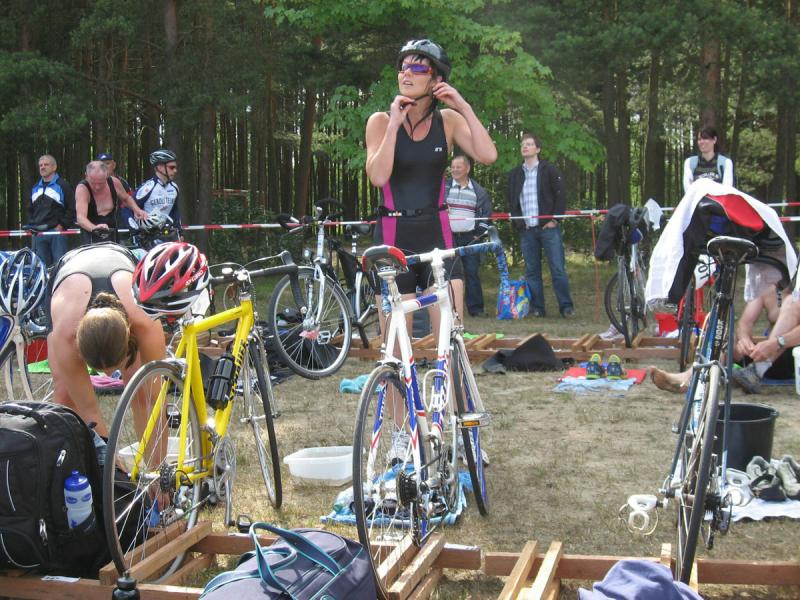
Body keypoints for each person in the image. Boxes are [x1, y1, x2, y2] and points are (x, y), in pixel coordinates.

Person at [365, 39, 496, 333]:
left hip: (437, 236)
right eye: (403, 67)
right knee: (396, 346)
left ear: (436, 80)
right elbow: (378, 177)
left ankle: (448, 366)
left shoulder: (448, 121)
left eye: (417, 68)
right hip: (393, 239)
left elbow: (488, 155)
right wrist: (394, 124)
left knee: (450, 338)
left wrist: (463, 106)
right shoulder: (380, 122)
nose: (406, 74)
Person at [47, 243, 167, 438]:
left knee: (144, 394)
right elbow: (88, 412)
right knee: (66, 396)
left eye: (114, 368)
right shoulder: (66, 334)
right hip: (68, 273)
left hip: (120, 264)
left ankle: (152, 458)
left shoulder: (144, 320)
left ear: (129, 337)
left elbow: (156, 400)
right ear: (78, 347)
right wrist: (108, 455)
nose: (109, 375)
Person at [650, 282, 793, 393]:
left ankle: (698, 379)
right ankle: (694, 377)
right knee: (722, 330)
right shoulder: (768, 289)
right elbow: (745, 323)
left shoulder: (794, 299)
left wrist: (775, 343)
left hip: (788, 358)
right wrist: (744, 339)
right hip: (758, 356)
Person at [506, 133, 575, 318]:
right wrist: (519, 223)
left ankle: (566, 307)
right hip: (527, 231)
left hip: (548, 229)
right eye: (523, 144)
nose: (525, 147)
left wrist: (555, 220)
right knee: (532, 271)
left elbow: (561, 196)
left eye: (529, 144)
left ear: (537, 149)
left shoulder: (549, 170)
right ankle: (538, 308)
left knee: (557, 269)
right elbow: (512, 201)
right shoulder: (515, 174)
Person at [446, 154, 492, 316]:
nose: (455, 170)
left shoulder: (479, 191)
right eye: (453, 167)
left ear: (467, 169)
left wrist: (477, 236)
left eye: (458, 167)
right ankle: (449, 309)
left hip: (470, 238)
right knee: (448, 273)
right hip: (449, 238)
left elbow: (486, 216)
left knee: (472, 272)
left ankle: (476, 309)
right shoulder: (443, 189)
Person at [75, 160, 147, 245]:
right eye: (93, 182)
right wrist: (95, 228)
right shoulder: (82, 189)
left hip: (112, 232)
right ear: (86, 176)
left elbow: (126, 198)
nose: (97, 187)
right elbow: (81, 218)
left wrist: (137, 210)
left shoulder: (114, 182)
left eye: (101, 183)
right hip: (90, 234)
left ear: (107, 175)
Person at [27, 154, 75, 266]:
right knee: (41, 267)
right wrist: (32, 225)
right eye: (40, 165)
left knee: (59, 266)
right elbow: (29, 209)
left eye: (46, 164)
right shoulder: (35, 187)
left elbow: (72, 208)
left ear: (54, 167)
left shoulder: (63, 185)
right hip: (38, 233)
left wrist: (62, 225)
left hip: (57, 233)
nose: (42, 167)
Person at [133, 149, 182, 235]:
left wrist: (180, 232)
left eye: (175, 167)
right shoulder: (148, 188)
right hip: (146, 235)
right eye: (171, 167)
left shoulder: (174, 188)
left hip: (167, 234)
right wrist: (133, 229)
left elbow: (175, 211)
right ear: (160, 167)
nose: (175, 171)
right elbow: (128, 207)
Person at [683, 125, 734, 192]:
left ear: (714, 140)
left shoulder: (725, 163)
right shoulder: (690, 163)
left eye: (705, 138)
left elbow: (727, 190)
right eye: (699, 139)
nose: (701, 142)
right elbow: (688, 191)